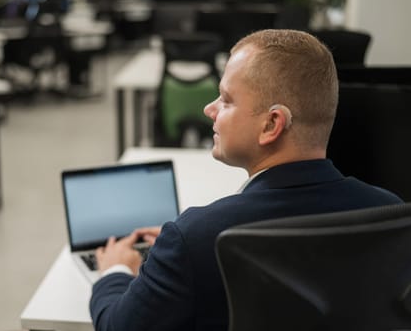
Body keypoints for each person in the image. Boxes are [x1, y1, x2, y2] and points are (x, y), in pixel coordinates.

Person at [90, 29, 403, 331]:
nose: (209, 108)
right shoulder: (390, 216)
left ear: (271, 125)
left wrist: (115, 272)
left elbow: (119, 326)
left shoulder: (194, 238)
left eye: (226, 100)